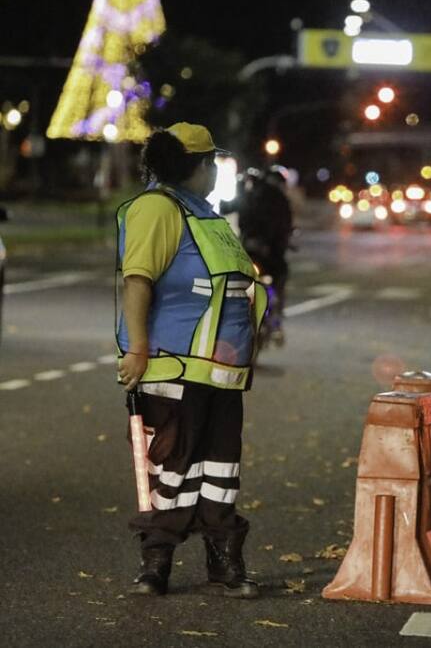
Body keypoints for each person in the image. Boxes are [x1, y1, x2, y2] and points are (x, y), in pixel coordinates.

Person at [116, 123, 267, 598]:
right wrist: (138, 350)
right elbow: (137, 279)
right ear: (200, 166)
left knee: (221, 467)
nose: (215, 171)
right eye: (212, 163)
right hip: (173, 365)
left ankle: (224, 561)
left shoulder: (205, 214)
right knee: (174, 466)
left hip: (218, 371)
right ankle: (155, 565)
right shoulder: (158, 208)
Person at [237, 166, 294, 344]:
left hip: (249, 251)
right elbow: (284, 226)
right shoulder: (280, 199)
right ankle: (276, 323)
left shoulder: (252, 194)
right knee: (280, 276)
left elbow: (241, 218)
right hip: (270, 255)